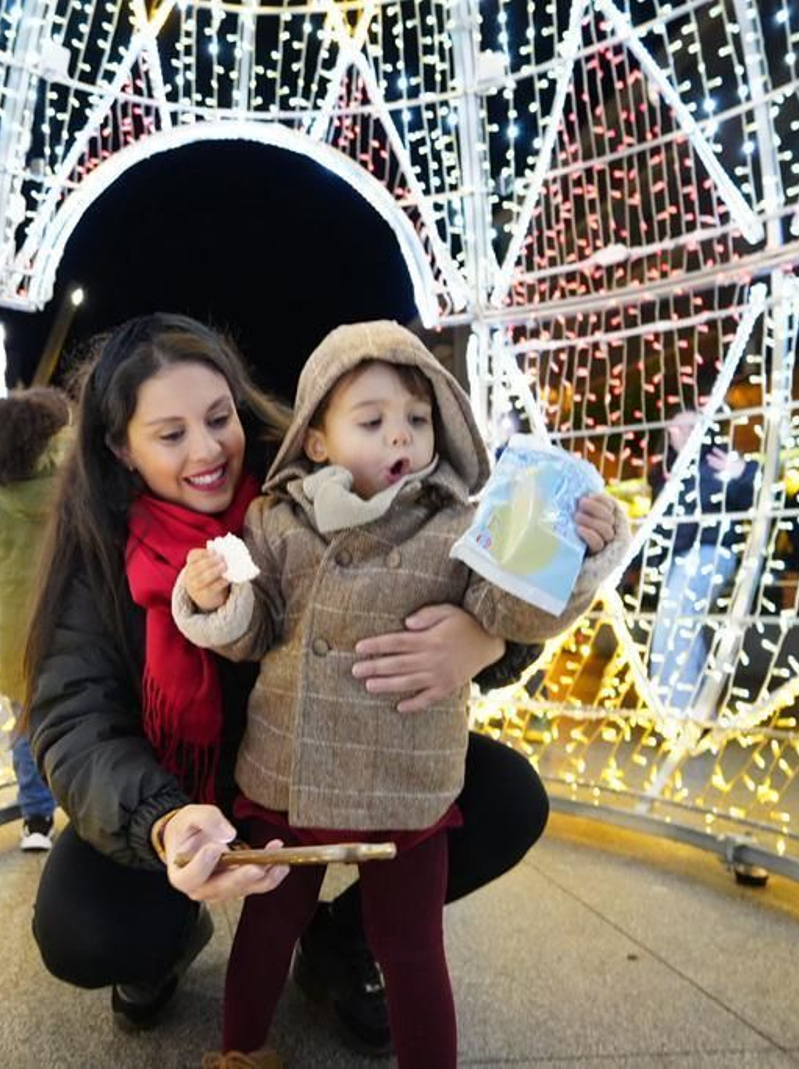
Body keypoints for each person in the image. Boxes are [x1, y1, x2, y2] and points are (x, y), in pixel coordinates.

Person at [21, 313, 551, 1056]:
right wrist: (164, 822)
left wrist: (486, 640)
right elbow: (74, 722)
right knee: (88, 928)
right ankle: (163, 945)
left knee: (506, 798)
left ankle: (341, 942)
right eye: (170, 435)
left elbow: (492, 580)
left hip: (353, 755)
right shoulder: (99, 547)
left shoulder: (315, 481)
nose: (207, 450)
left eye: (219, 418)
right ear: (122, 448)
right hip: (188, 787)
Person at [174, 321, 628, 1067]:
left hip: (408, 781)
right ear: (316, 439)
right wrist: (217, 598)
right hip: (289, 774)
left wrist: (577, 555)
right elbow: (255, 630)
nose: (401, 436)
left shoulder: (462, 524)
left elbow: (511, 611)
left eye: (418, 418)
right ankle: (241, 1052)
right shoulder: (276, 521)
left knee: (413, 947)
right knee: (268, 925)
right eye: (372, 420)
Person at [0, 387, 70, 851]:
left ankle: (37, 821)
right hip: (77, 636)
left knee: (26, 731)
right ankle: (85, 810)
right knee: (84, 724)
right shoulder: (76, 496)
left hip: (16, 646)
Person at [647, 408, 757, 718]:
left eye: (690, 427)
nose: (682, 433)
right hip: (678, 558)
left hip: (710, 550)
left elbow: (758, 496)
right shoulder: (667, 471)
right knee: (676, 624)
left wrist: (745, 473)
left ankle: (679, 709)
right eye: (675, 428)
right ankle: (690, 707)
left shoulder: (716, 461)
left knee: (678, 620)